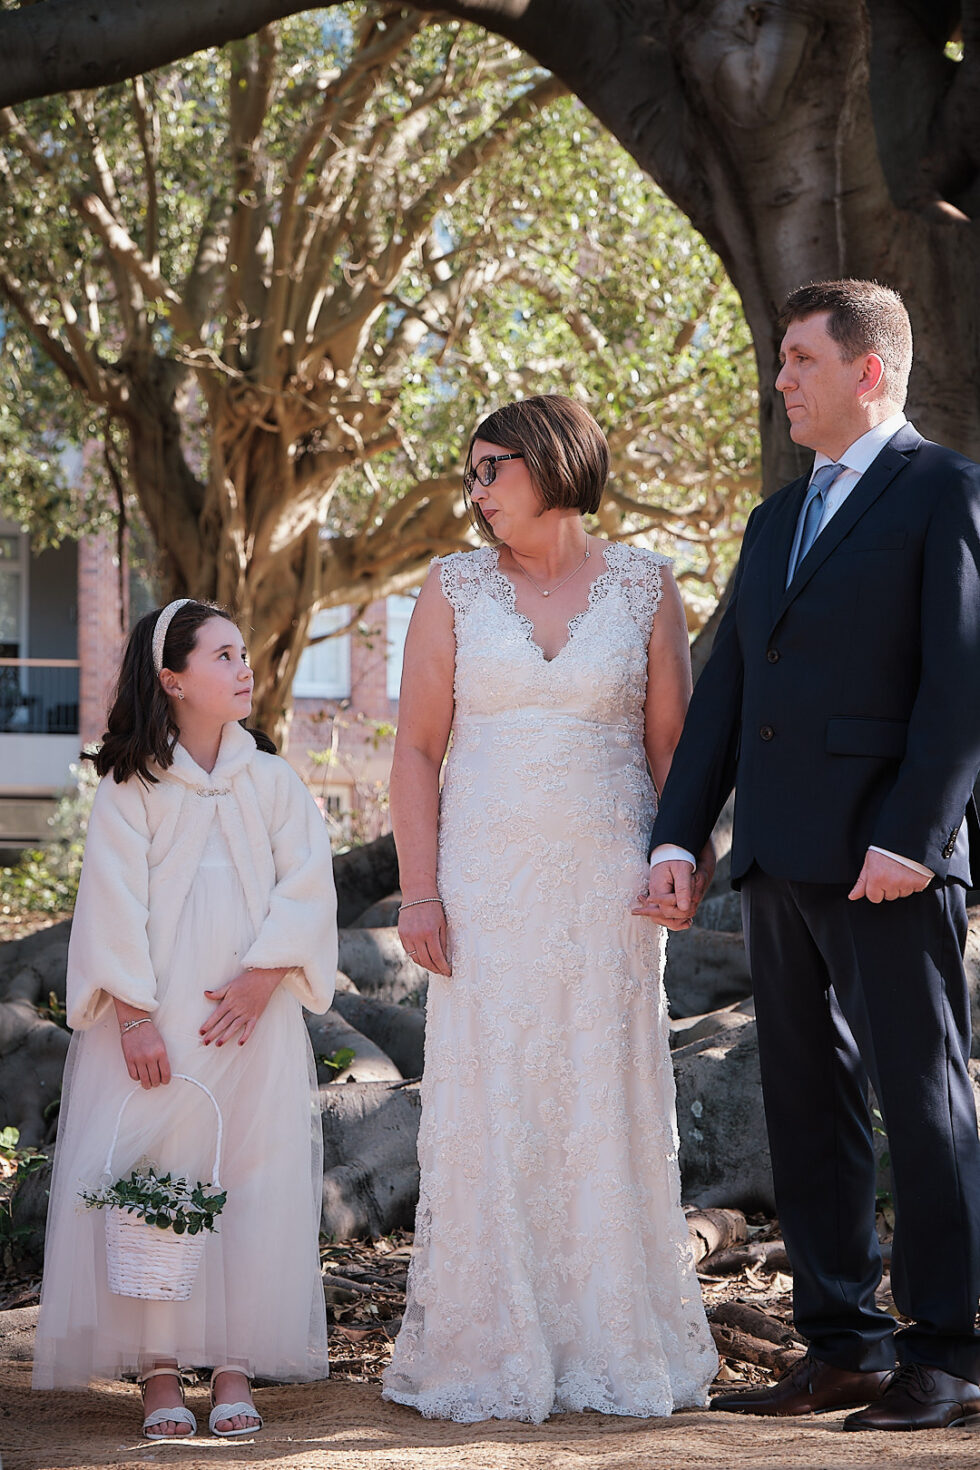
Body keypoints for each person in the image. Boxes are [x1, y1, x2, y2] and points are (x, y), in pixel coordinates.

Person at [638, 279, 980, 1431]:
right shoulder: (773, 518)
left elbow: (961, 686)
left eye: (798, 360)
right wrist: (678, 834)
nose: (779, 378)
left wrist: (912, 839)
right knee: (803, 1107)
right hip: (775, 858)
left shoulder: (944, 490)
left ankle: (950, 1353)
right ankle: (842, 1347)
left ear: (865, 370)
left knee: (922, 1108)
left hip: (890, 859)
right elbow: (728, 692)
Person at [380, 394, 718, 1423]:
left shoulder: (646, 583)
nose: (477, 489)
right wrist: (420, 889)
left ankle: (608, 1337)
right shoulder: (451, 587)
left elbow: (673, 750)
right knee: (493, 1096)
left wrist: (682, 857)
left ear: (554, 462)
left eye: (495, 468)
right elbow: (415, 750)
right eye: (472, 471)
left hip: (607, 890)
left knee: (598, 1096)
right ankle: (491, 1342)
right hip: (483, 888)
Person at [33, 599, 337, 1439]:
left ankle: (234, 1364)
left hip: (252, 1017)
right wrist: (133, 1017)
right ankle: (159, 1370)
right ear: (172, 680)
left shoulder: (271, 780)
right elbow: (111, 904)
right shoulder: (131, 787)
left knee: (249, 1175)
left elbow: (307, 886)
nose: (245, 667)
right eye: (223, 655)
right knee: (160, 1180)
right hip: (162, 1019)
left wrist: (264, 977)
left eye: (244, 653)